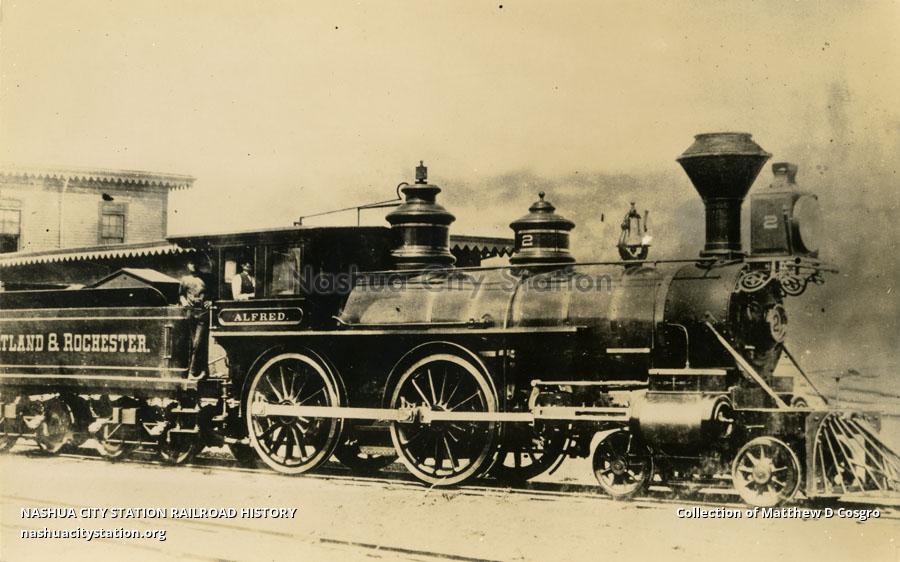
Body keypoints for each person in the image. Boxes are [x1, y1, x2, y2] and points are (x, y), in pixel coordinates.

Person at [179, 257, 210, 379]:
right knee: (193, 343)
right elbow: (181, 294)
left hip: (203, 313)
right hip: (190, 313)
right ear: (188, 265)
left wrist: (210, 301)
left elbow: (213, 293)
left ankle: (193, 371)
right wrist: (184, 302)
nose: (193, 265)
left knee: (199, 342)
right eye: (191, 263)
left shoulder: (206, 278)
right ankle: (203, 371)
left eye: (195, 263)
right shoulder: (184, 279)